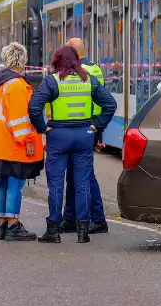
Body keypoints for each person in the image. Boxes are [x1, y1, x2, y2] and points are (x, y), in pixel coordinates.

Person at [28, 46, 117, 243]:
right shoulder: (89, 81)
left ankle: (53, 230)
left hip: (58, 136)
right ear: (77, 60)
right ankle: (83, 232)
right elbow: (110, 104)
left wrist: (42, 128)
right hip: (84, 135)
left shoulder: (52, 81)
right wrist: (96, 125)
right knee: (82, 182)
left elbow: (34, 106)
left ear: (58, 61)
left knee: (56, 183)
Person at [0, 42, 44, 241]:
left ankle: (1, 225)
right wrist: (29, 141)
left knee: (4, 183)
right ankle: (13, 224)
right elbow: (18, 119)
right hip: (13, 145)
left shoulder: (0, 83)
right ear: (22, 60)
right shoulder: (15, 85)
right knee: (16, 184)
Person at [60, 37, 112, 235]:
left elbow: (100, 102)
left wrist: (96, 130)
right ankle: (71, 218)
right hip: (82, 128)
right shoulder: (89, 68)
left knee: (85, 176)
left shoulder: (88, 70)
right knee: (76, 175)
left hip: (85, 128)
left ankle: (97, 218)